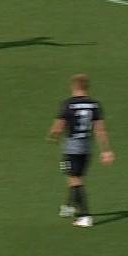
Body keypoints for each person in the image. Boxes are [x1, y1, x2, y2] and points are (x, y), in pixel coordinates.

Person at [47, 73, 114, 228]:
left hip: (71, 148)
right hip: (86, 148)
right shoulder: (95, 105)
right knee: (75, 177)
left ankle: (84, 215)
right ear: (86, 87)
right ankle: (68, 207)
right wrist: (106, 150)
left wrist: (53, 136)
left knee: (73, 178)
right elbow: (100, 129)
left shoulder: (67, 104)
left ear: (73, 87)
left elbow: (58, 126)